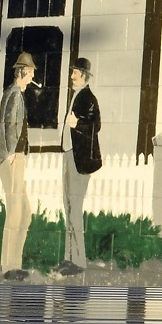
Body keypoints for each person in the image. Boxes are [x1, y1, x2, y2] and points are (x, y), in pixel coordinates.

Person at [58, 57, 103, 276]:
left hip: (79, 159)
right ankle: (69, 258)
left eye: (75, 73)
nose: (72, 76)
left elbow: (96, 125)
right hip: (69, 156)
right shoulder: (77, 95)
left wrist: (78, 124)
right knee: (67, 206)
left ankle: (79, 261)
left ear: (83, 75)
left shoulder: (88, 97)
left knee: (74, 208)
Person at [0, 52, 36, 281]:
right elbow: (7, 123)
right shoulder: (12, 94)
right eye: (29, 72)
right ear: (21, 72)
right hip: (11, 158)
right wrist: (10, 153)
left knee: (25, 213)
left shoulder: (18, 94)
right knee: (14, 212)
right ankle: (7, 266)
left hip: (17, 157)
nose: (31, 76)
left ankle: (15, 263)